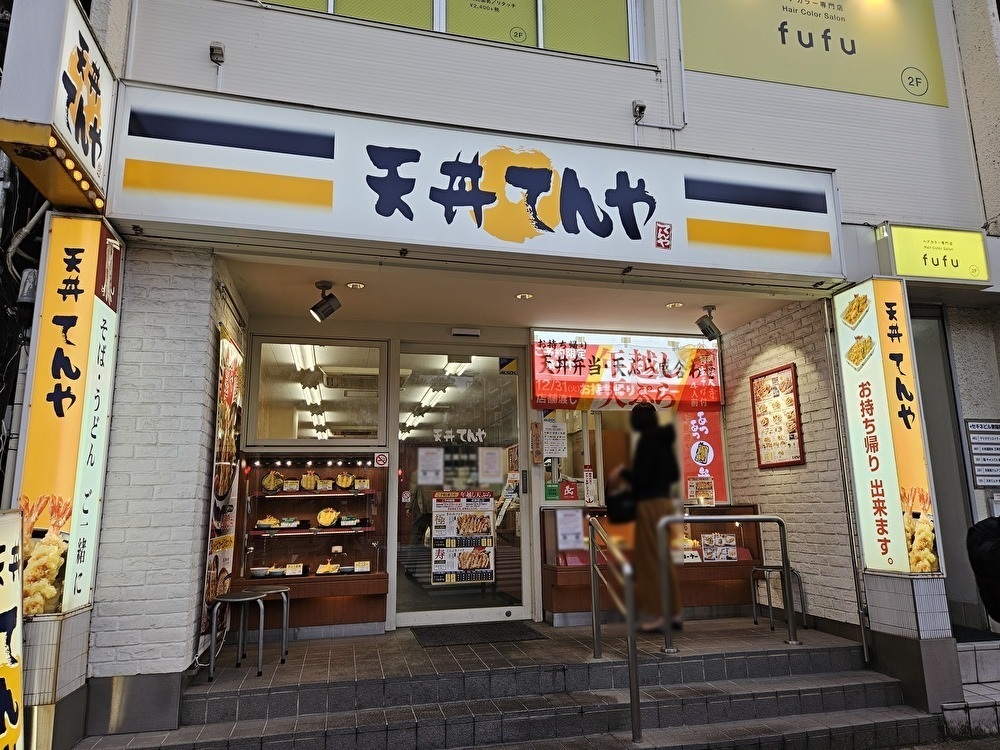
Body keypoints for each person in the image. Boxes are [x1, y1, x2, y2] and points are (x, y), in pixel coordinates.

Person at [609, 402, 682, 632]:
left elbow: (641, 478)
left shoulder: (646, 442)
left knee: (649, 561)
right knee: (664, 560)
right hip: (664, 504)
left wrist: (622, 473)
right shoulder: (664, 439)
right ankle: (674, 613)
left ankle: (659, 615)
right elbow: (674, 474)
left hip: (649, 506)